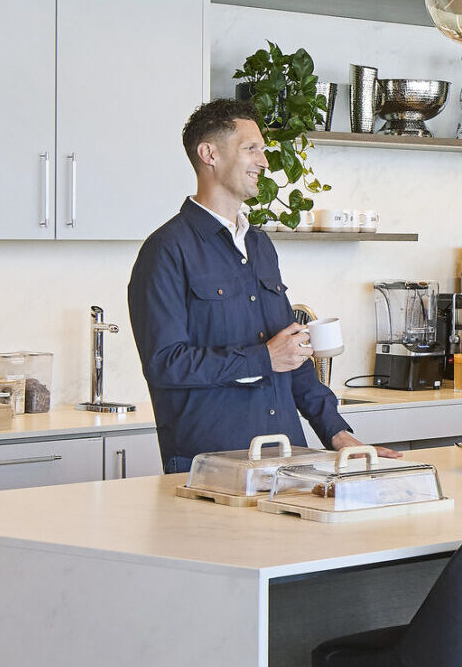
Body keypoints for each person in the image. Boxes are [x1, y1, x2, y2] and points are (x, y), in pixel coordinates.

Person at [127, 99, 384, 473]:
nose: (264, 161)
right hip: (211, 468)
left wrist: (338, 435)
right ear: (209, 154)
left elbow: (289, 354)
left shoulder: (260, 245)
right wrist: (263, 358)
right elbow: (165, 365)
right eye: (252, 149)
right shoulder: (166, 250)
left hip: (285, 462)